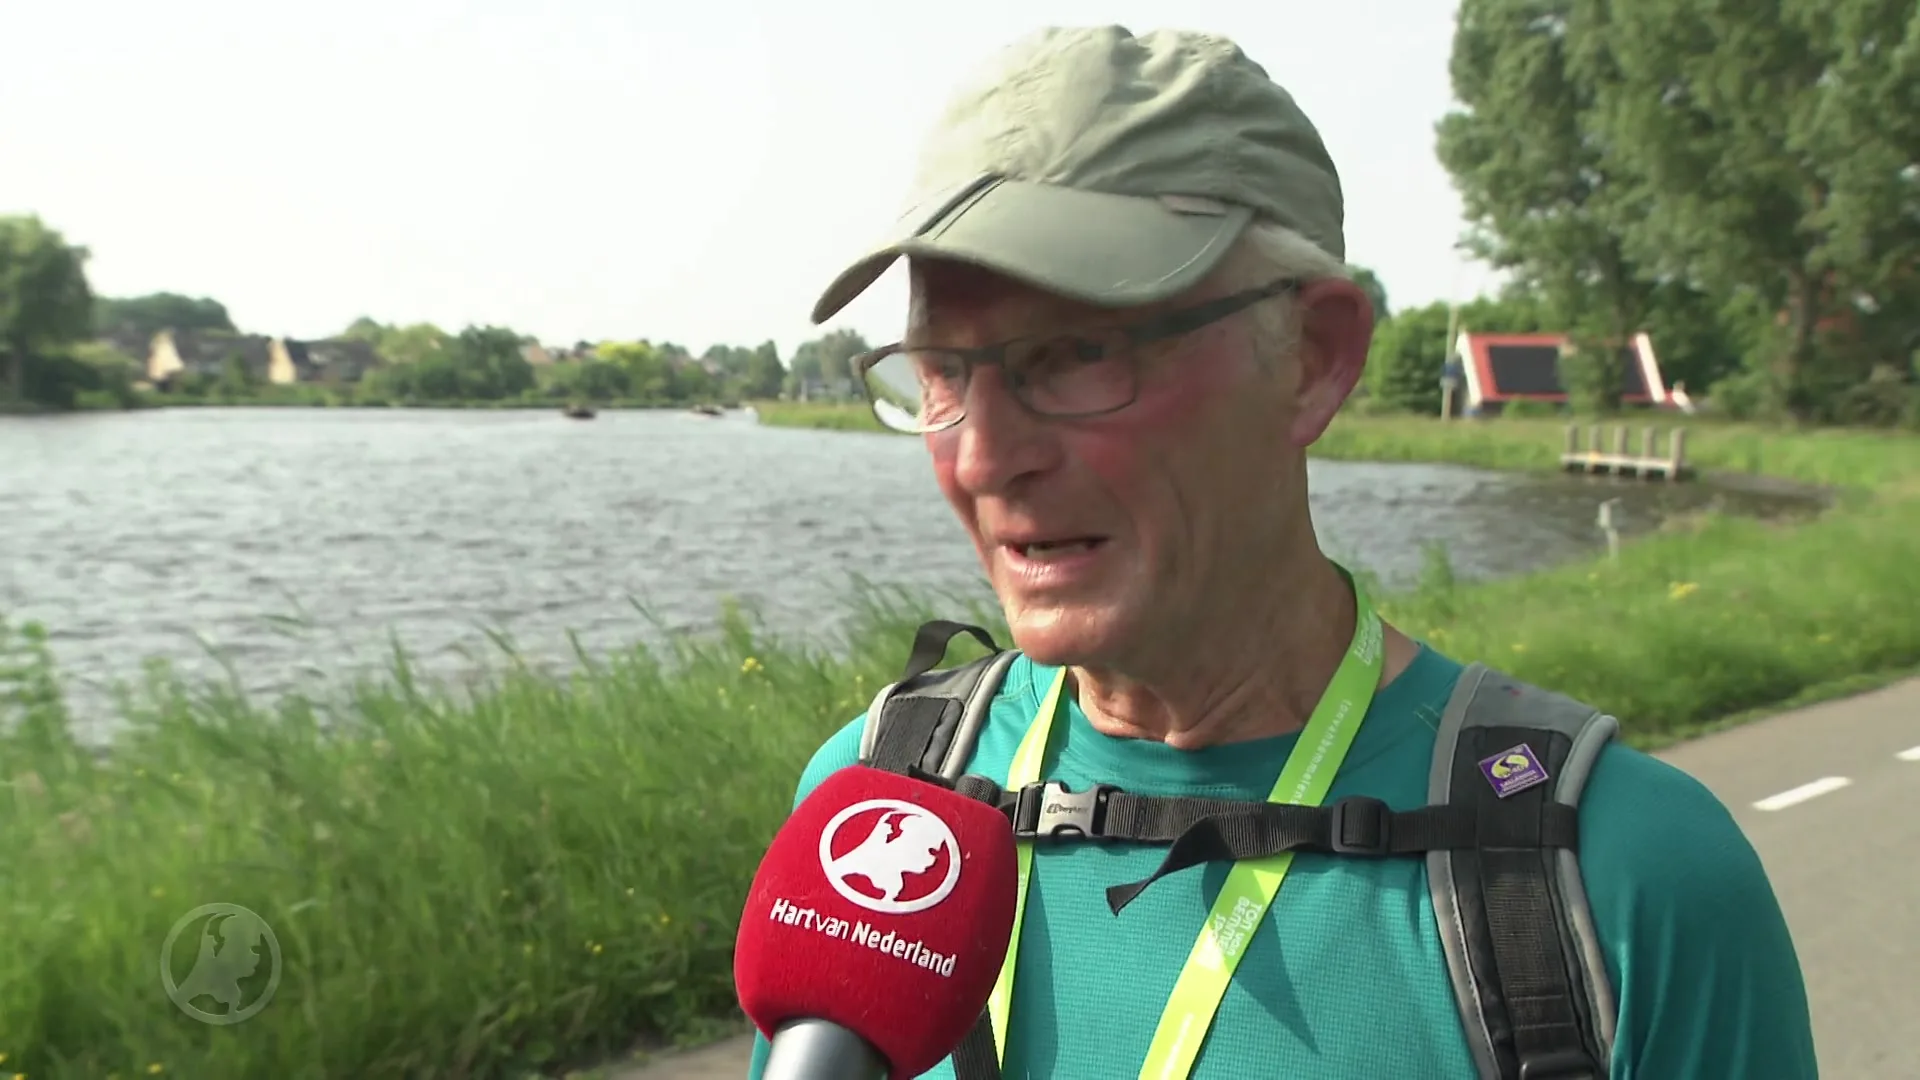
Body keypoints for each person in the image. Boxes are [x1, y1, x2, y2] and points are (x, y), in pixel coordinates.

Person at [746, 24, 1817, 1080]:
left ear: (1311, 357)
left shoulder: (1626, 882)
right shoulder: (868, 814)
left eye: (1074, 355)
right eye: (941, 372)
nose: (983, 458)